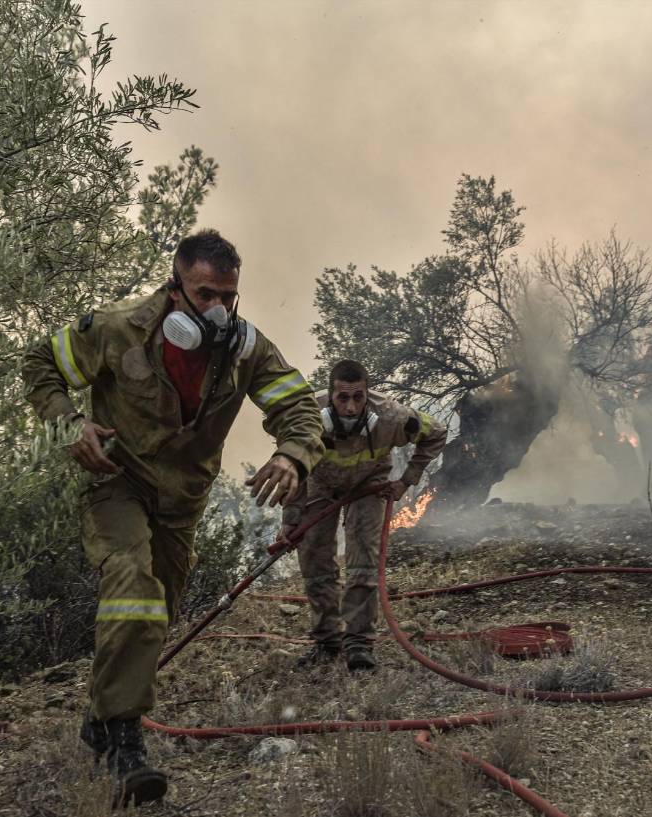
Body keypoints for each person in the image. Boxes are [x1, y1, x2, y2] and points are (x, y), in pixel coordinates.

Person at [22, 229, 323, 805]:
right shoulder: (118, 329)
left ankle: (100, 714)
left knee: (156, 615)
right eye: (205, 294)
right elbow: (40, 362)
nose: (218, 310)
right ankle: (123, 744)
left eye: (227, 297)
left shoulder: (247, 351)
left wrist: (291, 453)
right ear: (175, 288)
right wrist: (69, 424)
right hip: (118, 483)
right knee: (133, 587)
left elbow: (300, 407)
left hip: (181, 503)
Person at [282, 359, 447, 672]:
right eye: (342, 398)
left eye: (358, 397)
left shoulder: (392, 417)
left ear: (366, 394)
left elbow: (436, 432)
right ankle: (327, 642)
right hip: (320, 485)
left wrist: (405, 481)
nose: (351, 407)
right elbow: (292, 467)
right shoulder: (307, 418)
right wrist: (291, 520)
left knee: (362, 563)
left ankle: (359, 645)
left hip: (369, 486)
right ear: (330, 396)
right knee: (315, 562)